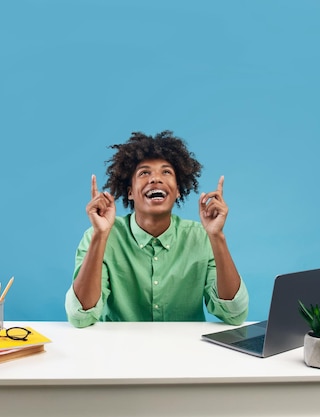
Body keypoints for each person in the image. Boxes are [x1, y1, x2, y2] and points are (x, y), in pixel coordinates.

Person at [65, 130, 249, 328]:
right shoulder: (99, 236)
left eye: (166, 172)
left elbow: (235, 314)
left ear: (178, 191)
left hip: (187, 352)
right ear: (130, 192)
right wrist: (100, 236)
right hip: (117, 352)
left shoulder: (201, 237)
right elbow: (80, 316)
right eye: (144, 173)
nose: (155, 179)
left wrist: (217, 236)